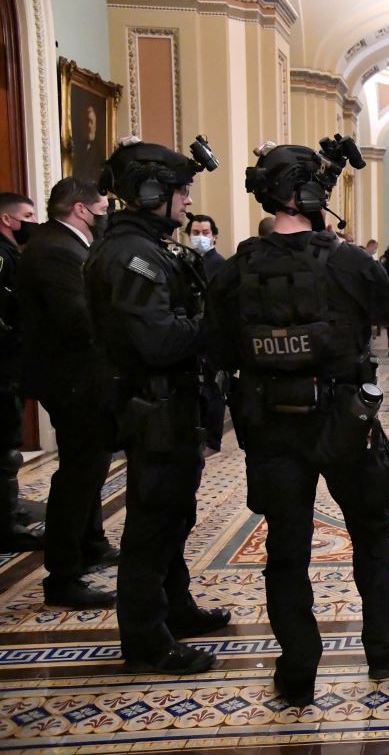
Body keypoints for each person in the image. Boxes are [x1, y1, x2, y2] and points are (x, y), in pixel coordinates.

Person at [208, 138, 389, 707]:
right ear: (311, 194)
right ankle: (387, 650)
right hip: (343, 421)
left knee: (286, 550)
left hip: (267, 423)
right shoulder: (346, 260)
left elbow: (213, 345)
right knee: (370, 534)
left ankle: (297, 671)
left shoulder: (237, 268)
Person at [84, 136, 229, 674]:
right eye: (181, 191)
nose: (188, 202)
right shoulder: (131, 257)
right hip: (153, 406)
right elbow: (158, 340)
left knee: (175, 515)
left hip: (171, 404)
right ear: (150, 193)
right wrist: (213, 328)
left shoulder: (150, 248)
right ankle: (146, 640)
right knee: (152, 525)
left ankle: (177, 610)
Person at [18, 177, 118, 608]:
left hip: (79, 376)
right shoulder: (56, 249)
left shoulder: (61, 243)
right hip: (73, 379)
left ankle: (91, 543)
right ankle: (63, 576)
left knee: (91, 469)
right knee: (78, 475)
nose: (106, 212)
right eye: (102, 206)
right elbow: (77, 318)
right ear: (81, 208)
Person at [0, 192, 43, 551]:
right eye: (27, 214)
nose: (33, 220)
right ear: (8, 220)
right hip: (3, 364)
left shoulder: (14, 254)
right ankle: (5, 522)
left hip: (11, 362)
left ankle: (9, 513)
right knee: (5, 447)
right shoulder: (3, 257)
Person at [185, 213, 227, 456]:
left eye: (204, 233)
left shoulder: (219, 265)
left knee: (213, 390)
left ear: (214, 237)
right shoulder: (186, 262)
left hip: (211, 336)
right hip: (191, 335)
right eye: (195, 233)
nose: (200, 237)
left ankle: (212, 439)